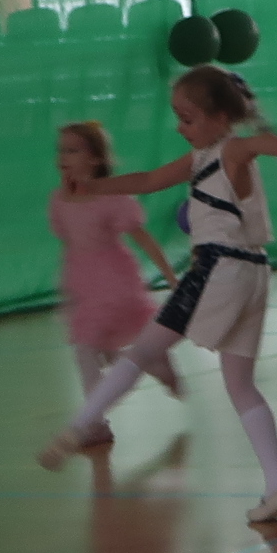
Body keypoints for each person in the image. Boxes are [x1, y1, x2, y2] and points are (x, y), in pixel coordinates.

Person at [38, 68, 277, 523]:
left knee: (142, 350)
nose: (180, 127)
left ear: (220, 117)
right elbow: (148, 180)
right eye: (178, 117)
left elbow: (256, 145)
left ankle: (79, 426)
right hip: (253, 274)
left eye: (187, 118)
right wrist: (94, 187)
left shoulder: (230, 149)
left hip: (219, 268)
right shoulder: (202, 157)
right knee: (240, 385)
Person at [48, 122, 179, 439]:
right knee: (94, 351)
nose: (63, 156)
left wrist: (170, 275)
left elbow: (142, 237)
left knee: (87, 349)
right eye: (61, 150)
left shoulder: (111, 197)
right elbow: (70, 245)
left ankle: (96, 422)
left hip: (114, 283)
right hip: (84, 284)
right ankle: (151, 364)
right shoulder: (59, 201)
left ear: (95, 159)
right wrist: (69, 288)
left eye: (73, 150)